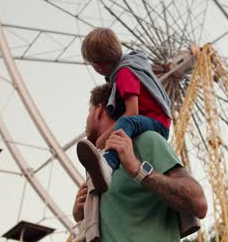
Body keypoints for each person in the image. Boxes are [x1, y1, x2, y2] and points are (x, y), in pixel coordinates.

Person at [72, 83, 207, 242]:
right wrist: (82, 214)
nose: (86, 120)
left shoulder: (146, 141)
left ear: (99, 110)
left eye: (89, 111)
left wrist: (138, 169)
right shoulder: (98, 165)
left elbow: (199, 203)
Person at [79, 27, 172, 193]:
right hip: (156, 121)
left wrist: (104, 139)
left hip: (157, 123)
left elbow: (132, 111)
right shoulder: (134, 65)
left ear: (98, 66)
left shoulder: (124, 73)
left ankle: (107, 165)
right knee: (127, 124)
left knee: (126, 121)